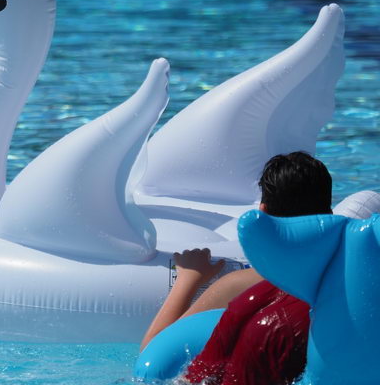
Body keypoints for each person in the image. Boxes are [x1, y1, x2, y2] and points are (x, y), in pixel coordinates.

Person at [140, 151, 334, 385]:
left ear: (261, 213)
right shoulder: (344, 279)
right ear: (330, 215)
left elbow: (153, 357)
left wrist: (188, 279)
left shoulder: (242, 284)